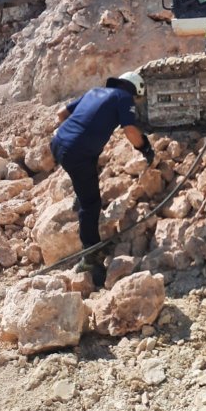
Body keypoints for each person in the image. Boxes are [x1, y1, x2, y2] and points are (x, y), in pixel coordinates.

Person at [50, 71, 154, 284]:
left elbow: (61, 114)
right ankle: (90, 256)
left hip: (58, 143)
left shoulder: (95, 91)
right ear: (134, 90)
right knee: (91, 204)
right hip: (76, 152)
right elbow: (130, 130)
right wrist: (145, 147)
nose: (134, 102)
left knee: (87, 170)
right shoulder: (123, 97)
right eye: (136, 98)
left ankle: (81, 195)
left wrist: (72, 135)